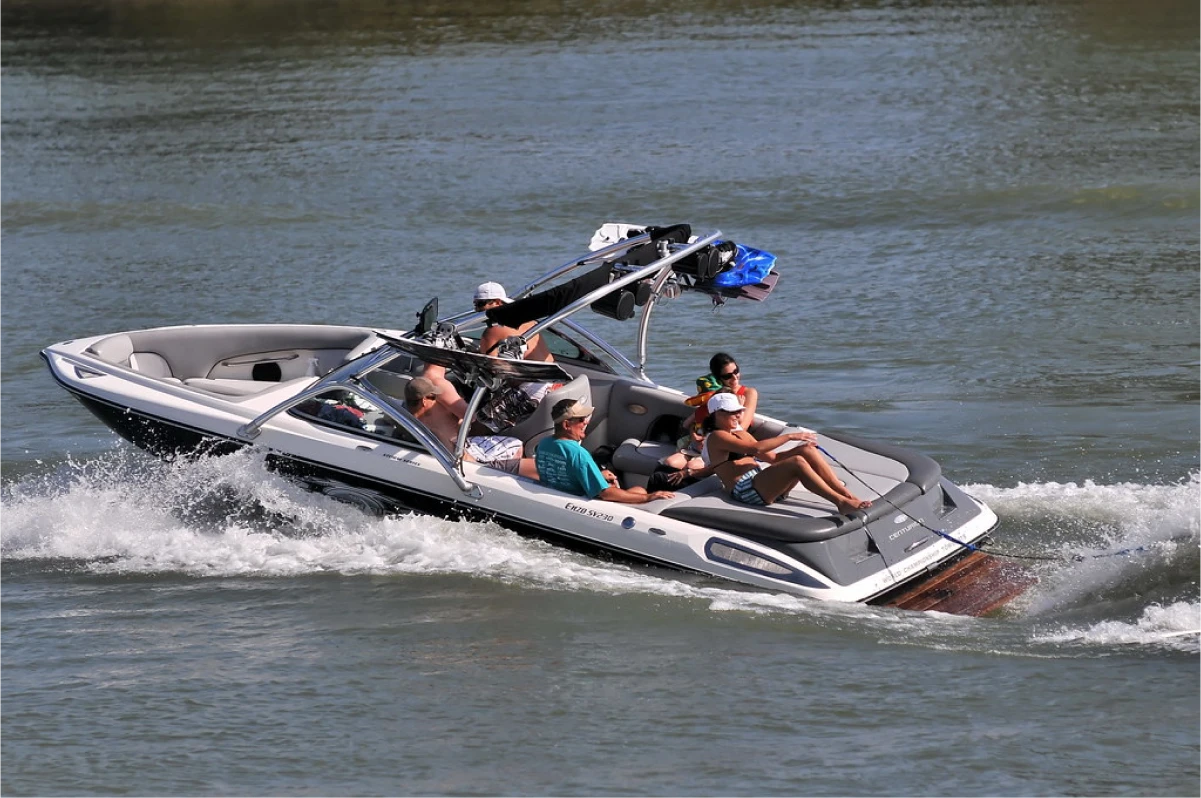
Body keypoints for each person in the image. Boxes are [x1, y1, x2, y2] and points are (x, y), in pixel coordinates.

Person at [701, 392, 871, 515]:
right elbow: (756, 449)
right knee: (796, 462)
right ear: (717, 413)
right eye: (733, 412)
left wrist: (801, 446)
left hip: (765, 486)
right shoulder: (716, 436)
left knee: (805, 450)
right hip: (746, 491)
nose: (738, 415)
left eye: (739, 411)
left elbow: (774, 458)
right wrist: (790, 436)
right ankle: (841, 503)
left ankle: (847, 496)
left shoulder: (740, 433)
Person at [536, 398, 675, 504]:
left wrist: (597, 475)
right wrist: (648, 497)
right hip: (583, 502)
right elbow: (605, 493)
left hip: (559, 495)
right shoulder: (578, 453)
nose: (586, 422)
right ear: (566, 424)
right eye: (581, 419)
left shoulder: (543, 444)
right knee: (639, 490)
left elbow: (561, 472)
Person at [403, 376, 539, 479]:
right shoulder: (433, 423)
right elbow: (470, 420)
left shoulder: (406, 416)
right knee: (515, 444)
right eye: (433, 396)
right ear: (424, 401)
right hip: (462, 454)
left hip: (460, 446)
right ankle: (503, 478)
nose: (438, 399)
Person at [661, 352, 760, 473]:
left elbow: (742, 428)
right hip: (699, 442)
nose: (735, 378)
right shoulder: (715, 395)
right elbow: (695, 421)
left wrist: (711, 440)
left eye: (736, 371)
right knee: (670, 463)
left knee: (692, 466)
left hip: (723, 444)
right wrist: (694, 436)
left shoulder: (748, 393)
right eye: (727, 376)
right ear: (718, 378)